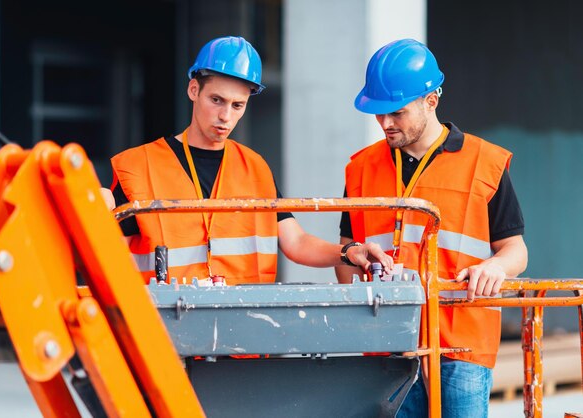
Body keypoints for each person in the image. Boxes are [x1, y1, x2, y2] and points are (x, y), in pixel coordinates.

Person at [335, 39, 528, 417]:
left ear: (431, 101)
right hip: (388, 345)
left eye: (397, 113)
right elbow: (345, 251)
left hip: (462, 344)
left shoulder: (483, 164)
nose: (385, 123)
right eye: (379, 113)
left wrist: (495, 267)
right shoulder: (360, 169)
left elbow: (516, 250)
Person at [101, 35, 393, 285]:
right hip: (162, 338)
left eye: (237, 105)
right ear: (194, 90)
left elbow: (296, 242)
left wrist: (348, 252)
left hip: (241, 340)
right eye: (216, 100)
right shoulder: (137, 168)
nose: (226, 116)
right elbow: (106, 260)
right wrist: (91, 218)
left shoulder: (254, 168)